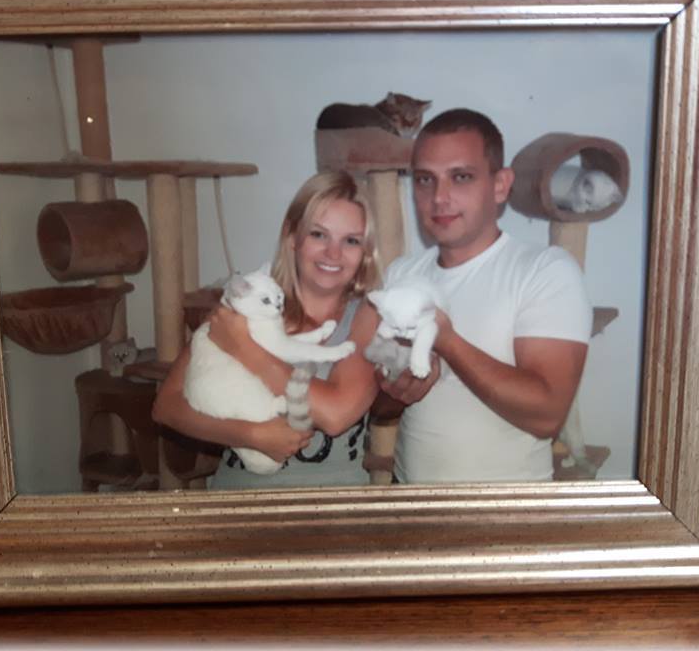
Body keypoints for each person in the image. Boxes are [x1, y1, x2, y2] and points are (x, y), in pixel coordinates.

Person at [380, 108, 592, 483]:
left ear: (500, 185)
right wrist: (398, 388)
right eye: (425, 179)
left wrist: (448, 343)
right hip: (409, 503)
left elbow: (547, 415)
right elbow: (380, 408)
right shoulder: (402, 273)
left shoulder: (545, 270)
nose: (439, 197)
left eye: (460, 177)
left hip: (505, 512)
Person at [152, 171, 382, 489]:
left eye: (351, 240)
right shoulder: (248, 299)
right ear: (292, 237)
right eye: (319, 234)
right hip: (238, 497)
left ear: (365, 252)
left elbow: (335, 415)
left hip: (334, 504)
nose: (333, 253)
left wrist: (243, 348)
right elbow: (167, 406)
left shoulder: (369, 315)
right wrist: (251, 435)